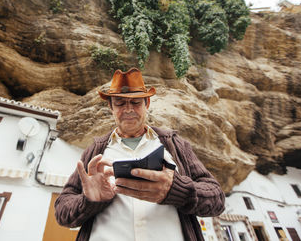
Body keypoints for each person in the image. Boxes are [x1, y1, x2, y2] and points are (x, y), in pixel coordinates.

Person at [55, 67, 225, 241]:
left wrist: (177, 190)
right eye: (120, 103)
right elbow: (62, 212)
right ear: (110, 107)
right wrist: (89, 201)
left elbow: (217, 199)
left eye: (136, 102)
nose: (128, 109)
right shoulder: (94, 152)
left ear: (147, 104)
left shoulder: (176, 145)